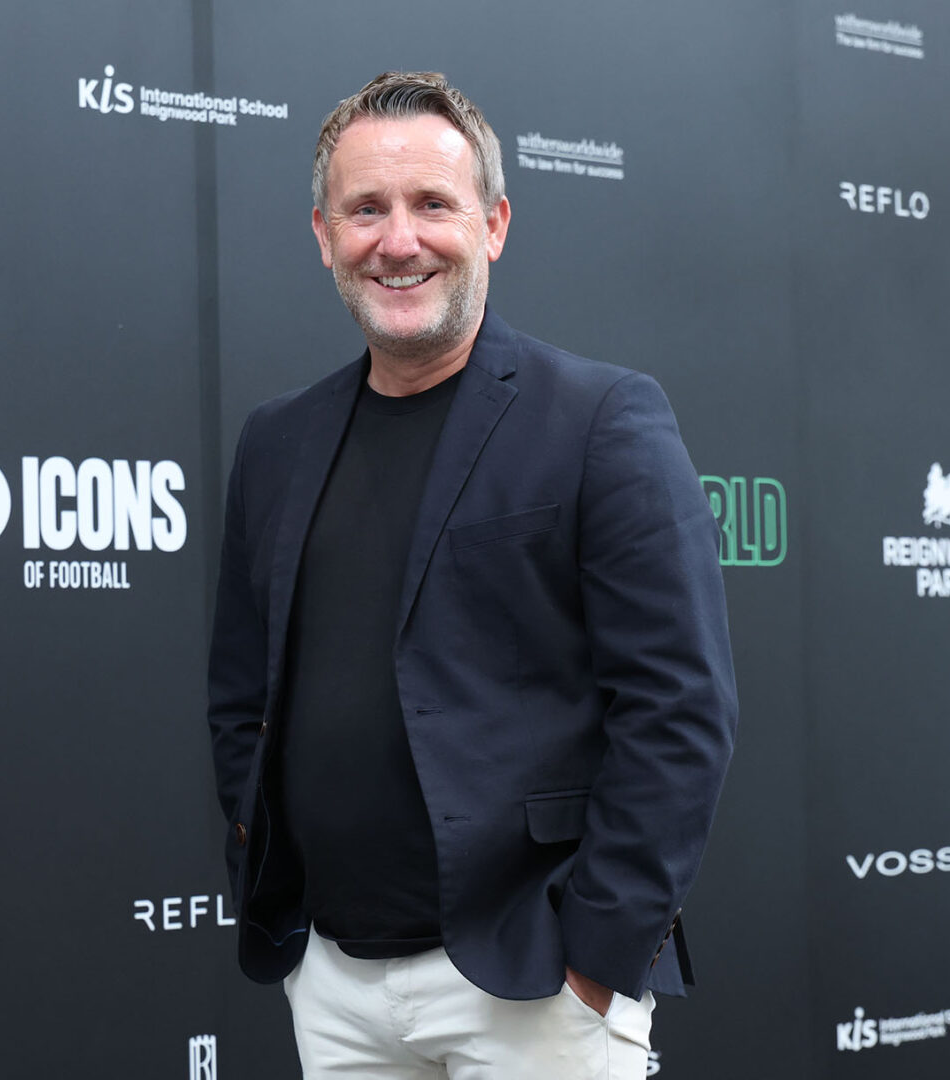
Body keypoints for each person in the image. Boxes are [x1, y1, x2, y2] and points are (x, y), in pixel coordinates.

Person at [206, 70, 737, 1079]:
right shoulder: (276, 442)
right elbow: (241, 697)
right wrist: (275, 890)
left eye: (432, 205)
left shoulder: (598, 419)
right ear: (323, 234)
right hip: (333, 983)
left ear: (492, 225)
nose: (398, 240)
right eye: (366, 209)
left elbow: (680, 706)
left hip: (534, 987)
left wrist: (597, 958)